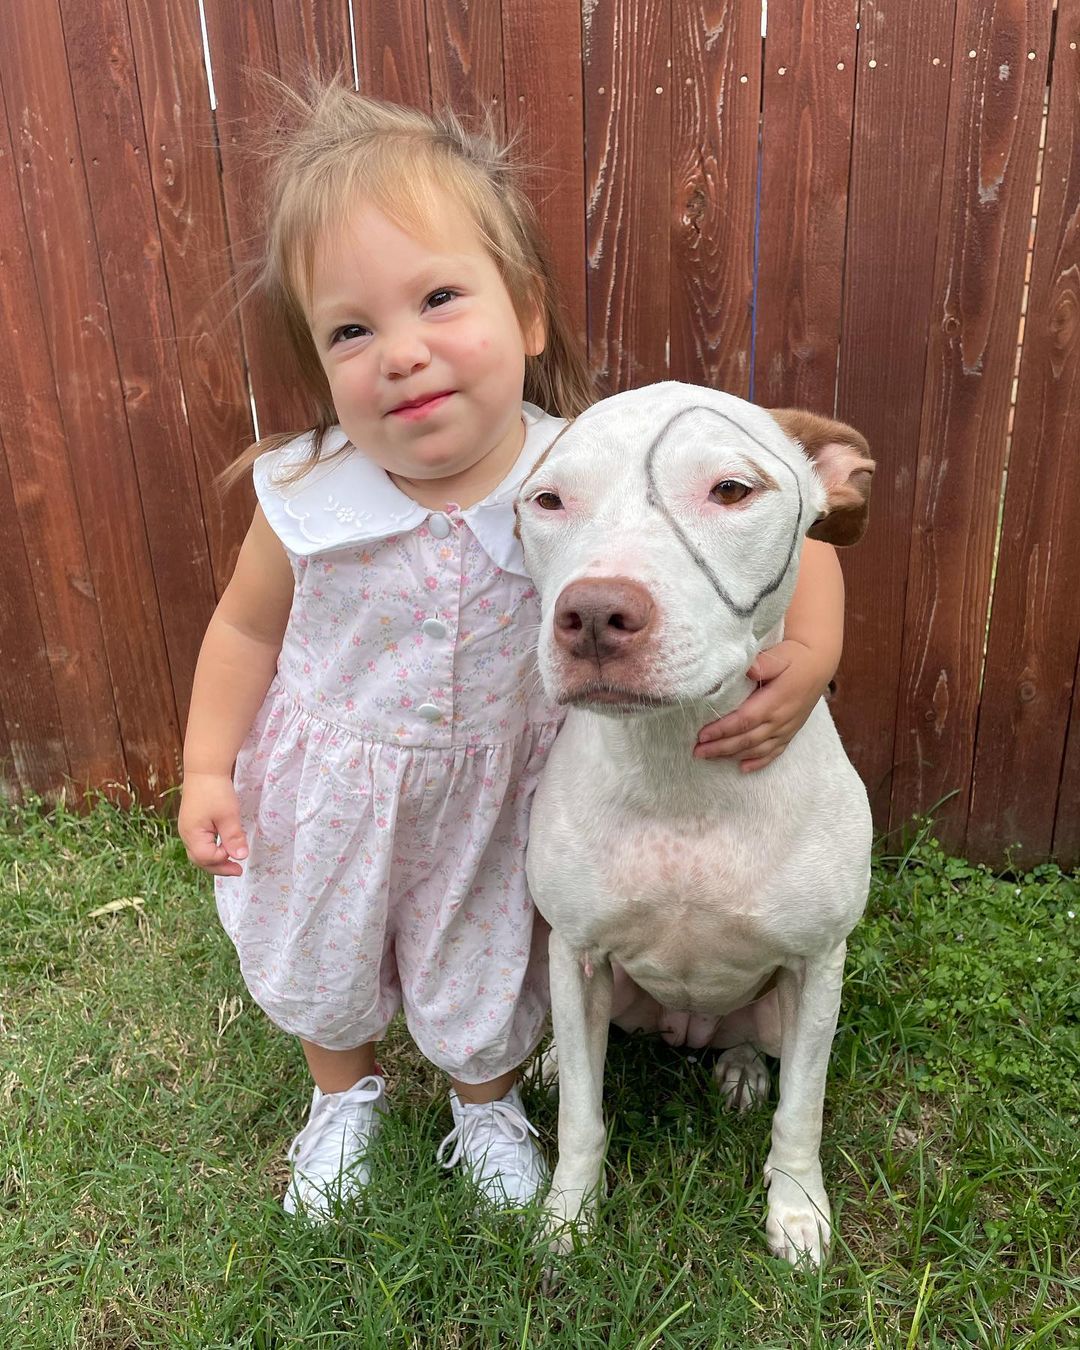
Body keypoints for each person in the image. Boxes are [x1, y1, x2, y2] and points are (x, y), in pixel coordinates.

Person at [177, 84, 846, 1221]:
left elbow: (791, 523)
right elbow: (244, 627)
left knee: (483, 948)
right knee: (331, 953)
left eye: (439, 297)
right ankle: (344, 1093)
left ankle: (485, 1100)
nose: (402, 353)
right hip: (342, 788)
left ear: (528, 313)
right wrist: (205, 767)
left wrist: (813, 656)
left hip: (499, 791)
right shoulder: (307, 492)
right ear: (319, 360)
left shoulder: (579, 461)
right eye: (351, 329)